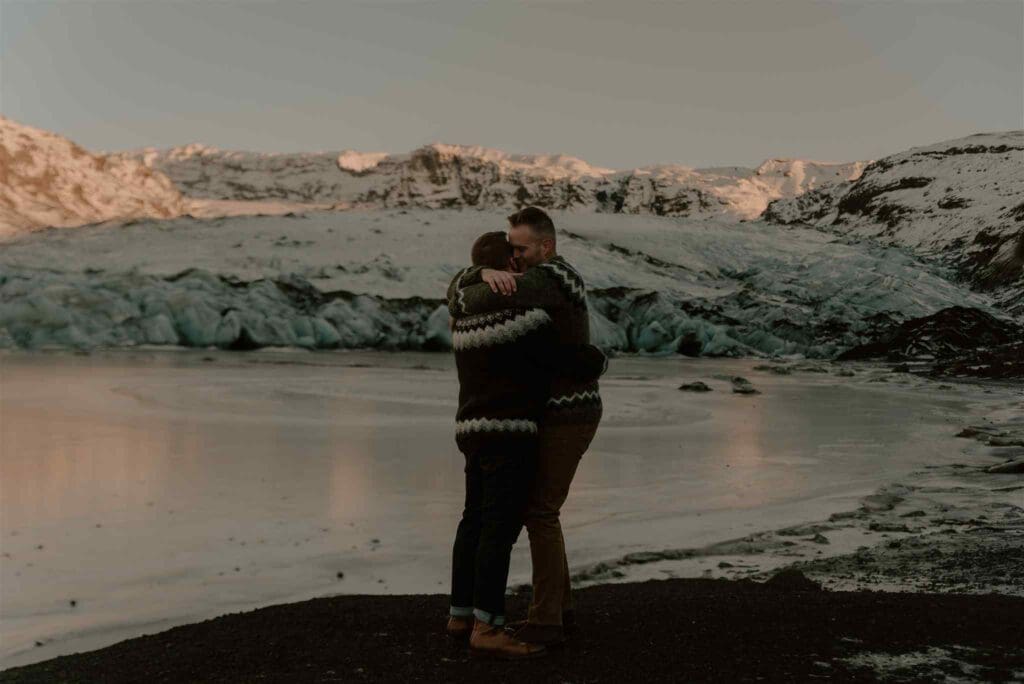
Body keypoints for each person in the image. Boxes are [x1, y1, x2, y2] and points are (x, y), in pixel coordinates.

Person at [445, 231, 607, 660]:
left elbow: (457, 296)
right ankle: (488, 626)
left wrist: (471, 276)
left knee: (472, 522)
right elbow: (572, 360)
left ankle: (459, 616)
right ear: (507, 268)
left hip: (470, 431)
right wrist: (600, 358)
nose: (522, 263)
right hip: (510, 433)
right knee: (499, 529)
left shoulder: (460, 319)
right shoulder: (524, 320)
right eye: (515, 257)